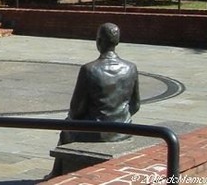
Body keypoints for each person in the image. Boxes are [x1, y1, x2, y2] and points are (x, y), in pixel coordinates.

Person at [48, 23, 140, 177]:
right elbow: (136, 105)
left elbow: (76, 110)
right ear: (117, 42)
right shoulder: (131, 68)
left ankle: (56, 175)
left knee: (66, 127)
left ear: (98, 41)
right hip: (123, 128)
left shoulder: (89, 69)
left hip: (95, 132)